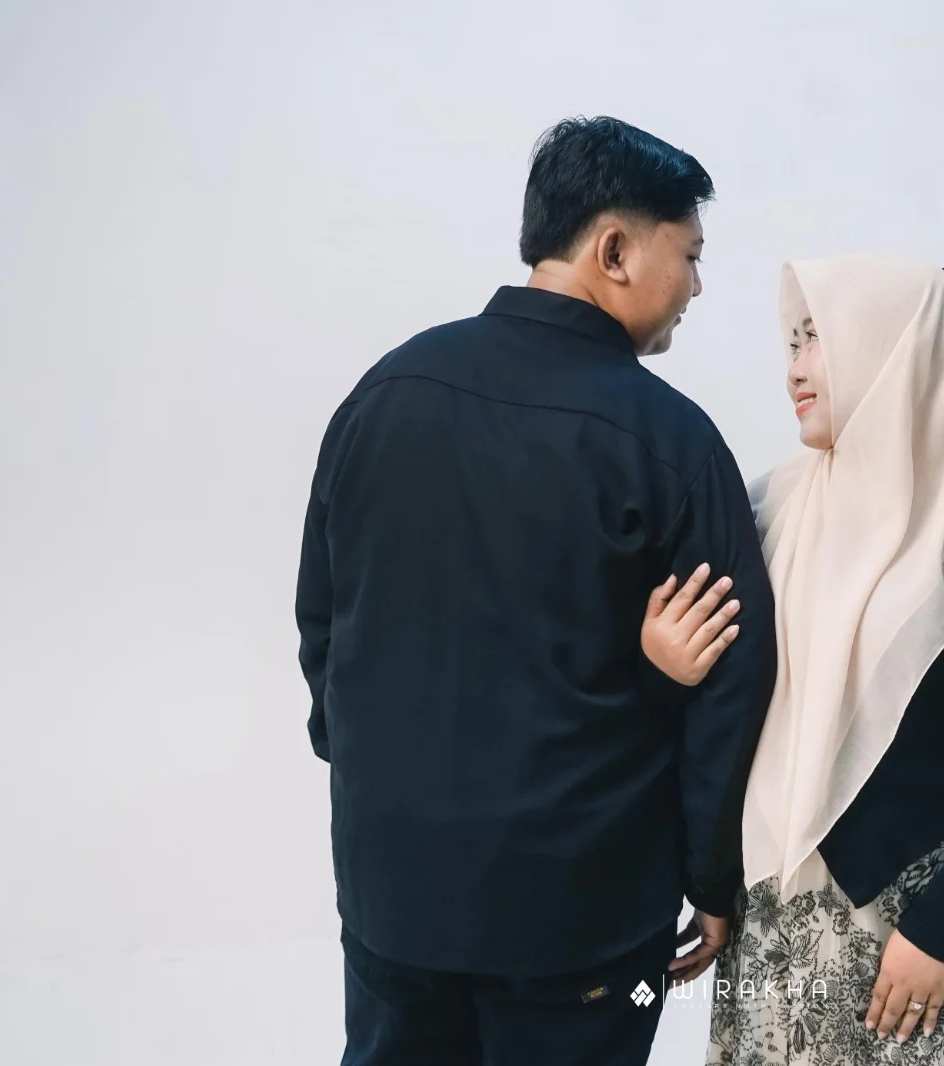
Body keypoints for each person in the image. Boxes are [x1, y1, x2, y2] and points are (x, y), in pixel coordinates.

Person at [294, 116, 777, 1066]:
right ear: (614, 251)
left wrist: (364, 765)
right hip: (587, 925)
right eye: (689, 255)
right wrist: (712, 880)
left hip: (393, 899)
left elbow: (324, 620)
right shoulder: (669, 443)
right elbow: (733, 679)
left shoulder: (383, 394)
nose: (697, 286)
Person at [642, 256, 944, 1064]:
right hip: (782, 935)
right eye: (791, 343)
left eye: (819, 338)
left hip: (931, 943)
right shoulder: (764, 510)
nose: (795, 369)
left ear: (896, 349)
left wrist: (940, 927)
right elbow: (726, 712)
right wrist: (661, 664)